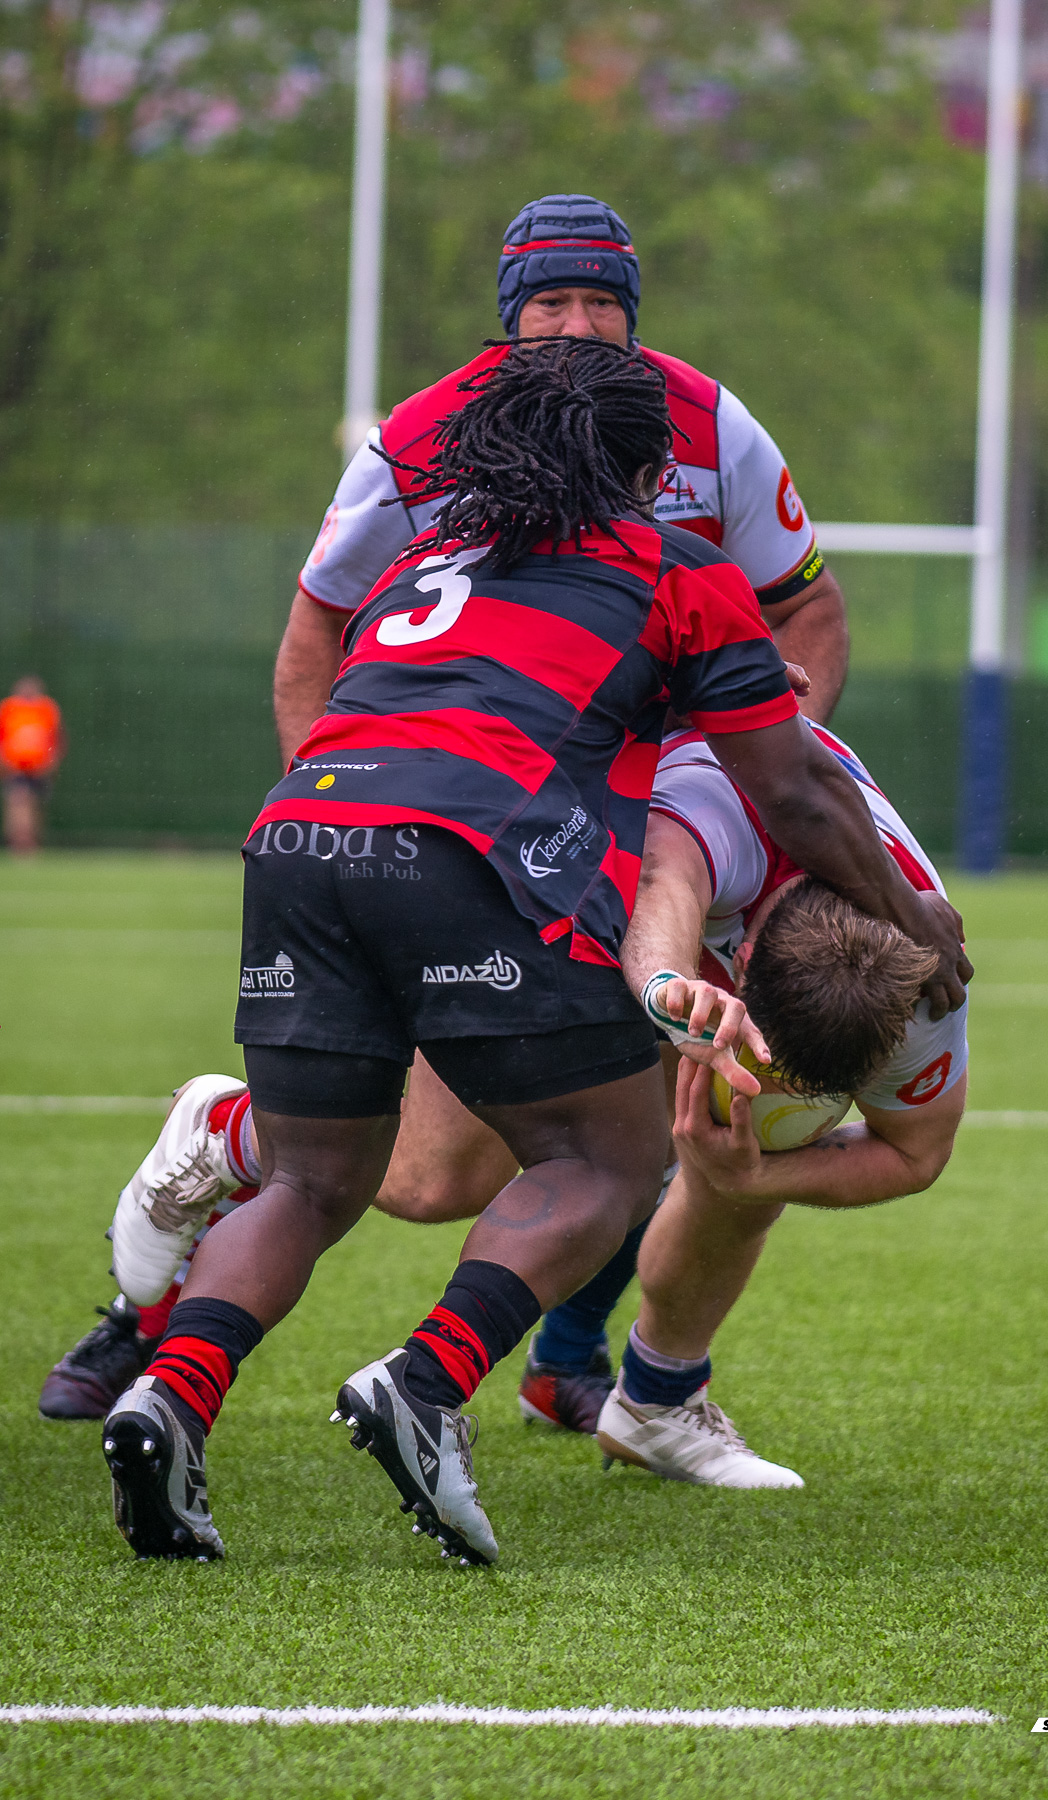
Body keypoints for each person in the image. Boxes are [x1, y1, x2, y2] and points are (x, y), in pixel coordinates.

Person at [97, 337, 966, 1566]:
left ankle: (169, 1396)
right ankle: (427, 1381)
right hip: (460, 841)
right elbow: (795, 793)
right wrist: (917, 920)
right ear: (649, 473)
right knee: (608, 1158)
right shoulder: (679, 565)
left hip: (299, 830)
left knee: (313, 1179)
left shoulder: (431, 555)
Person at [36, 190, 856, 1422]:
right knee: (422, 1178)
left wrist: (730, 789)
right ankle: (204, 1191)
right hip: (474, 835)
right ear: (507, 318)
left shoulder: (705, 422)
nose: (576, 326)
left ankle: (576, 1367)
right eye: (550, 302)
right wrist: (347, 812)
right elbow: (316, 626)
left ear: (635, 317)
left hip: (643, 830)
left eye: (601, 303)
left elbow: (809, 611)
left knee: (669, 1098)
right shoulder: (421, 436)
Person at [591, 722, 969, 1485]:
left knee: (750, 1128)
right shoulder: (722, 816)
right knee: (438, 1183)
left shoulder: (924, 994)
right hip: (588, 824)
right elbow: (663, 883)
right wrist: (668, 988)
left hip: (706, 901)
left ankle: (654, 1401)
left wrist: (758, 1176)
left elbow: (917, 1153)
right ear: (742, 959)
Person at [0, 675, 64, 855]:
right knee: (18, 801)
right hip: (15, 766)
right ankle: (21, 842)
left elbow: (55, 736)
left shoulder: (47, 708)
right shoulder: (8, 708)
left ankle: (32, 841)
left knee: (34, 805)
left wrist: (52, 761)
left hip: (39, 767)